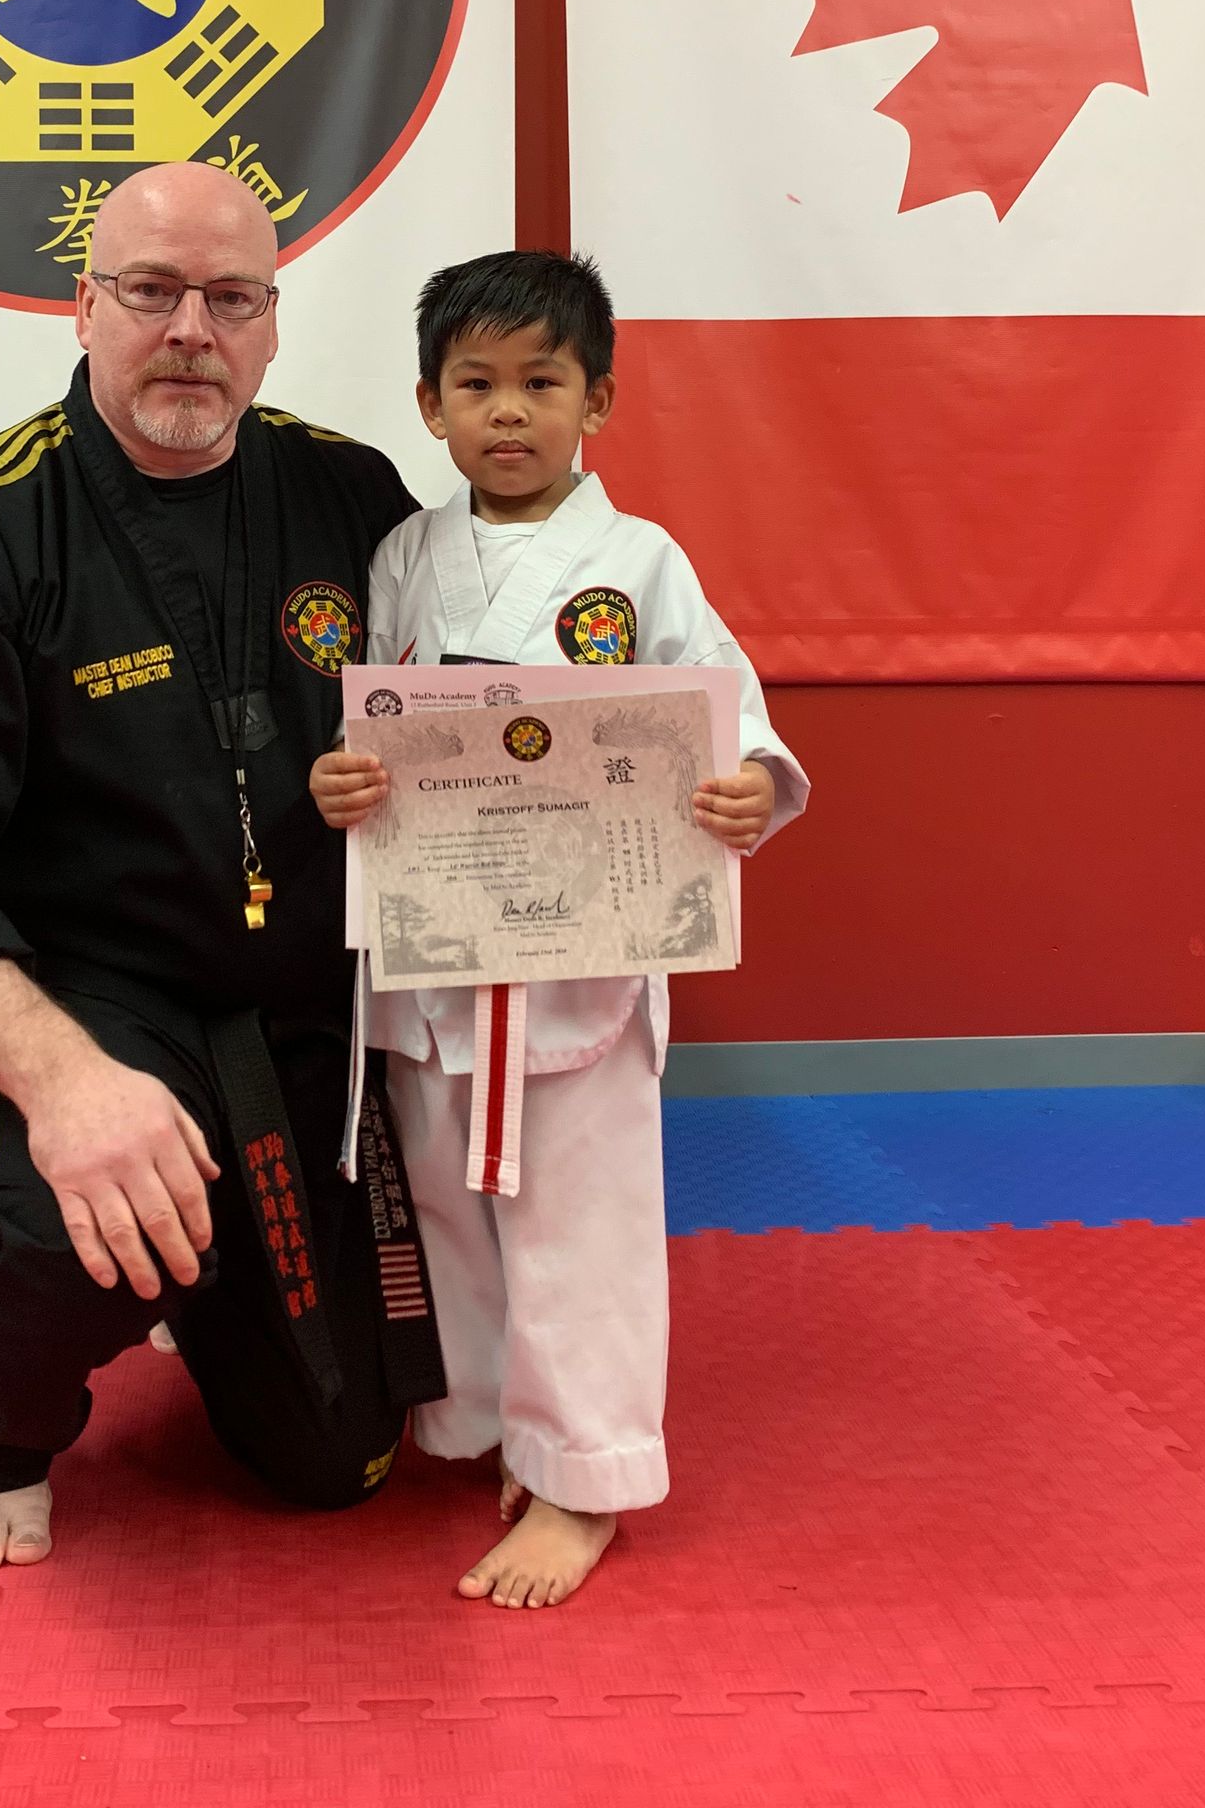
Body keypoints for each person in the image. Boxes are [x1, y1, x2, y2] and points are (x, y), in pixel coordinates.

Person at [0, 162, 446, 1572]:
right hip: (91, 1004)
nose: (190, 331)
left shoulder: (351, 493)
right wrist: (66, 1087)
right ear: (84, 306)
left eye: (231, 299)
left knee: (338, 1463)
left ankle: (202, 1266)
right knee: (63, 1223)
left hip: (302, 1014)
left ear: (272, 323)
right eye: (151, 290)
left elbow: (473, 711)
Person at [310, 249, 808, 1610]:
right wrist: (340, 780)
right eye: (476, 384)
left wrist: (747, 783)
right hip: (437, 959)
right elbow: (368, 721)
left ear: (599, 401)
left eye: (542, 382)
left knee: (581, 1222)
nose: (509, 411)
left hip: (583, 965)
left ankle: (583, 1475)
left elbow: (725, 706)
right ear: (430, 405)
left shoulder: (640, 561)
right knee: (448, 1208)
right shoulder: (406, 556)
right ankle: (481, 1420)